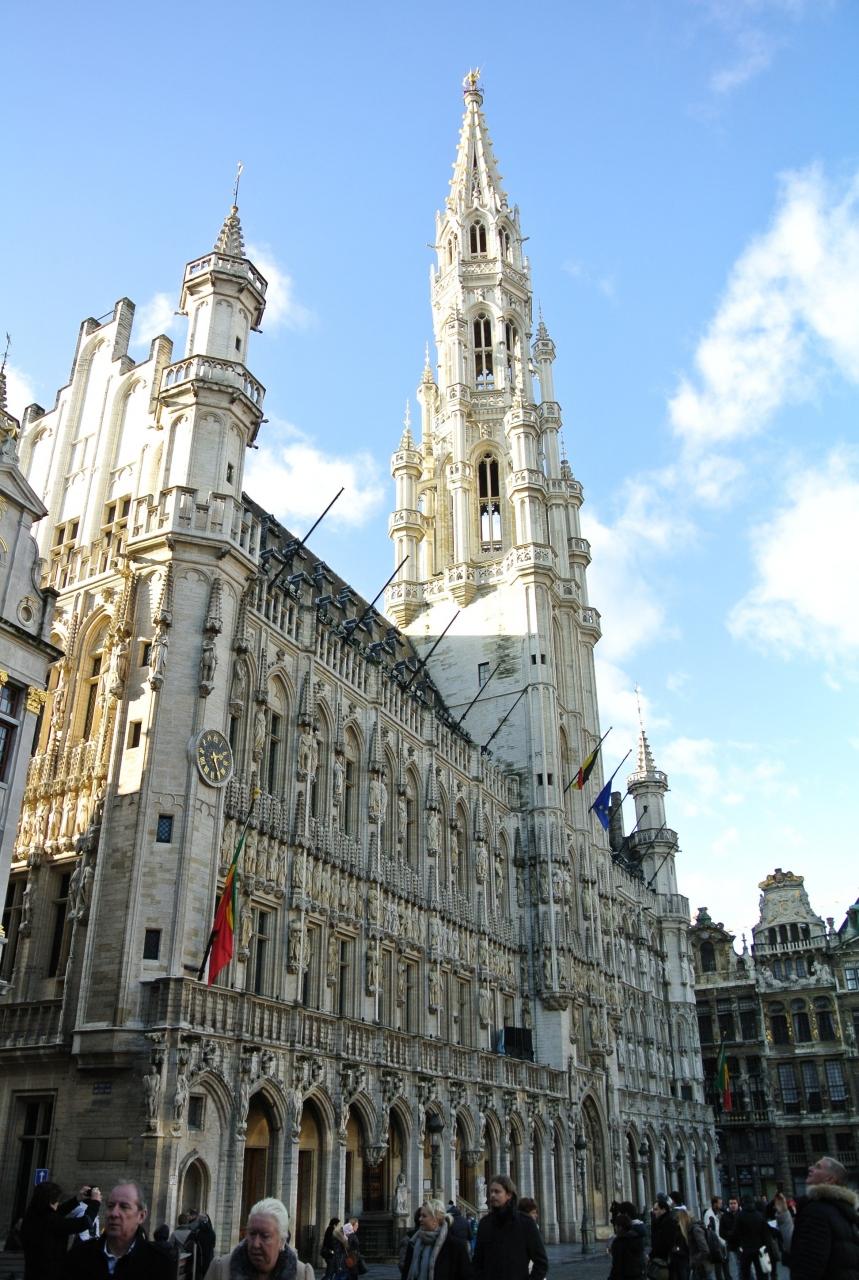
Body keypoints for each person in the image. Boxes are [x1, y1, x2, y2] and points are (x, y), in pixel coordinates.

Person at [61, 1181, 173, 1277]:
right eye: (110, 1206)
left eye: (124, 1207)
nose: (114, 1213)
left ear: (141, 1216)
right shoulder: (79, 1256)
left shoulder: (159, 1262)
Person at [204, 1198, 315, 1279]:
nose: (255, 1244)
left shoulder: (302, 1275)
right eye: (252, 1234)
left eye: (265, 1236)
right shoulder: (220, 1270)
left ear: (281, 1241)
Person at [788, 1157, 859, 1280]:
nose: (810, 1168)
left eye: (818, 1167)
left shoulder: (816, 1210)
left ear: (829, 1179)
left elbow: (808, 1265)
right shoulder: (844, 1209)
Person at [473, 1175, 547, 1280]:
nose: (492, 1195)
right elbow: (477, 1260)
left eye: (497, 1192)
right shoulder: (485, 1224)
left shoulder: (526, 1223)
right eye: (491, 1191)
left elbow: (541, 1262)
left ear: (509, 1194)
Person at [22, 1181, 101, 1279]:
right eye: (57, 1200)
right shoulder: (51, 1222)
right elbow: (85, 1222)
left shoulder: (31, 1217)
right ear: (51, 1202)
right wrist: (95, 1202)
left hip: (32, 1273)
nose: (58, 1203)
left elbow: (56, 1213)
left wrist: (77, 1199)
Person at [401, 1199, 472, 1280]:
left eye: (424, 1216)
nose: (420, 1219)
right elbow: (405, 1273)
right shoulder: (413, 1243)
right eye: (420, 1215)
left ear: (435, 1219)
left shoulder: (456, 1246)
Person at [731, 1197, 771, 1280]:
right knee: (761, 1272)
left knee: (745, 1273)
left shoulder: (740, 1216)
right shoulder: (759, 1215)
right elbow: (765, 1233)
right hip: (759, 1248)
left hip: (745, 1248)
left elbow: (735, 1233)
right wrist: (766, 1246)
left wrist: (737, 1245)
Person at [610, 1213, 646, 1280]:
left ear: (620, 1227)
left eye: (616, 1226)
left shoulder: (619, 1242)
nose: (615, 1228)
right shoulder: (637, 1238)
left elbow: (617, 1267)